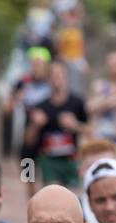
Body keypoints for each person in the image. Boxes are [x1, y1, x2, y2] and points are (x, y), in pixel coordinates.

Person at [26, 61, 90, 189]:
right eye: (53, 75)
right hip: (48, 161)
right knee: (50, 194)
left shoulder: (77, 102)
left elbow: (90, 130)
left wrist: (75, 125)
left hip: (71, 161)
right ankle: (31, 203)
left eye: (60, 74)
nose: (57, 79)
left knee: (72, 199)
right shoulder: (40, 106)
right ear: (48, 79)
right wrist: (36, 125)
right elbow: (28, 141)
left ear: (66, 77)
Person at [8, 47, 54, 201]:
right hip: (29, 129)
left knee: (48, 168)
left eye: (40, 63)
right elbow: (7, 109)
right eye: (34, 63)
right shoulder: (22, 82)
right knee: (27, 164)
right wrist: (16, 100)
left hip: (49, 129)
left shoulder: (52, 82)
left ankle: (49, 197)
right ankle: (32, 198)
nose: (36, 66)